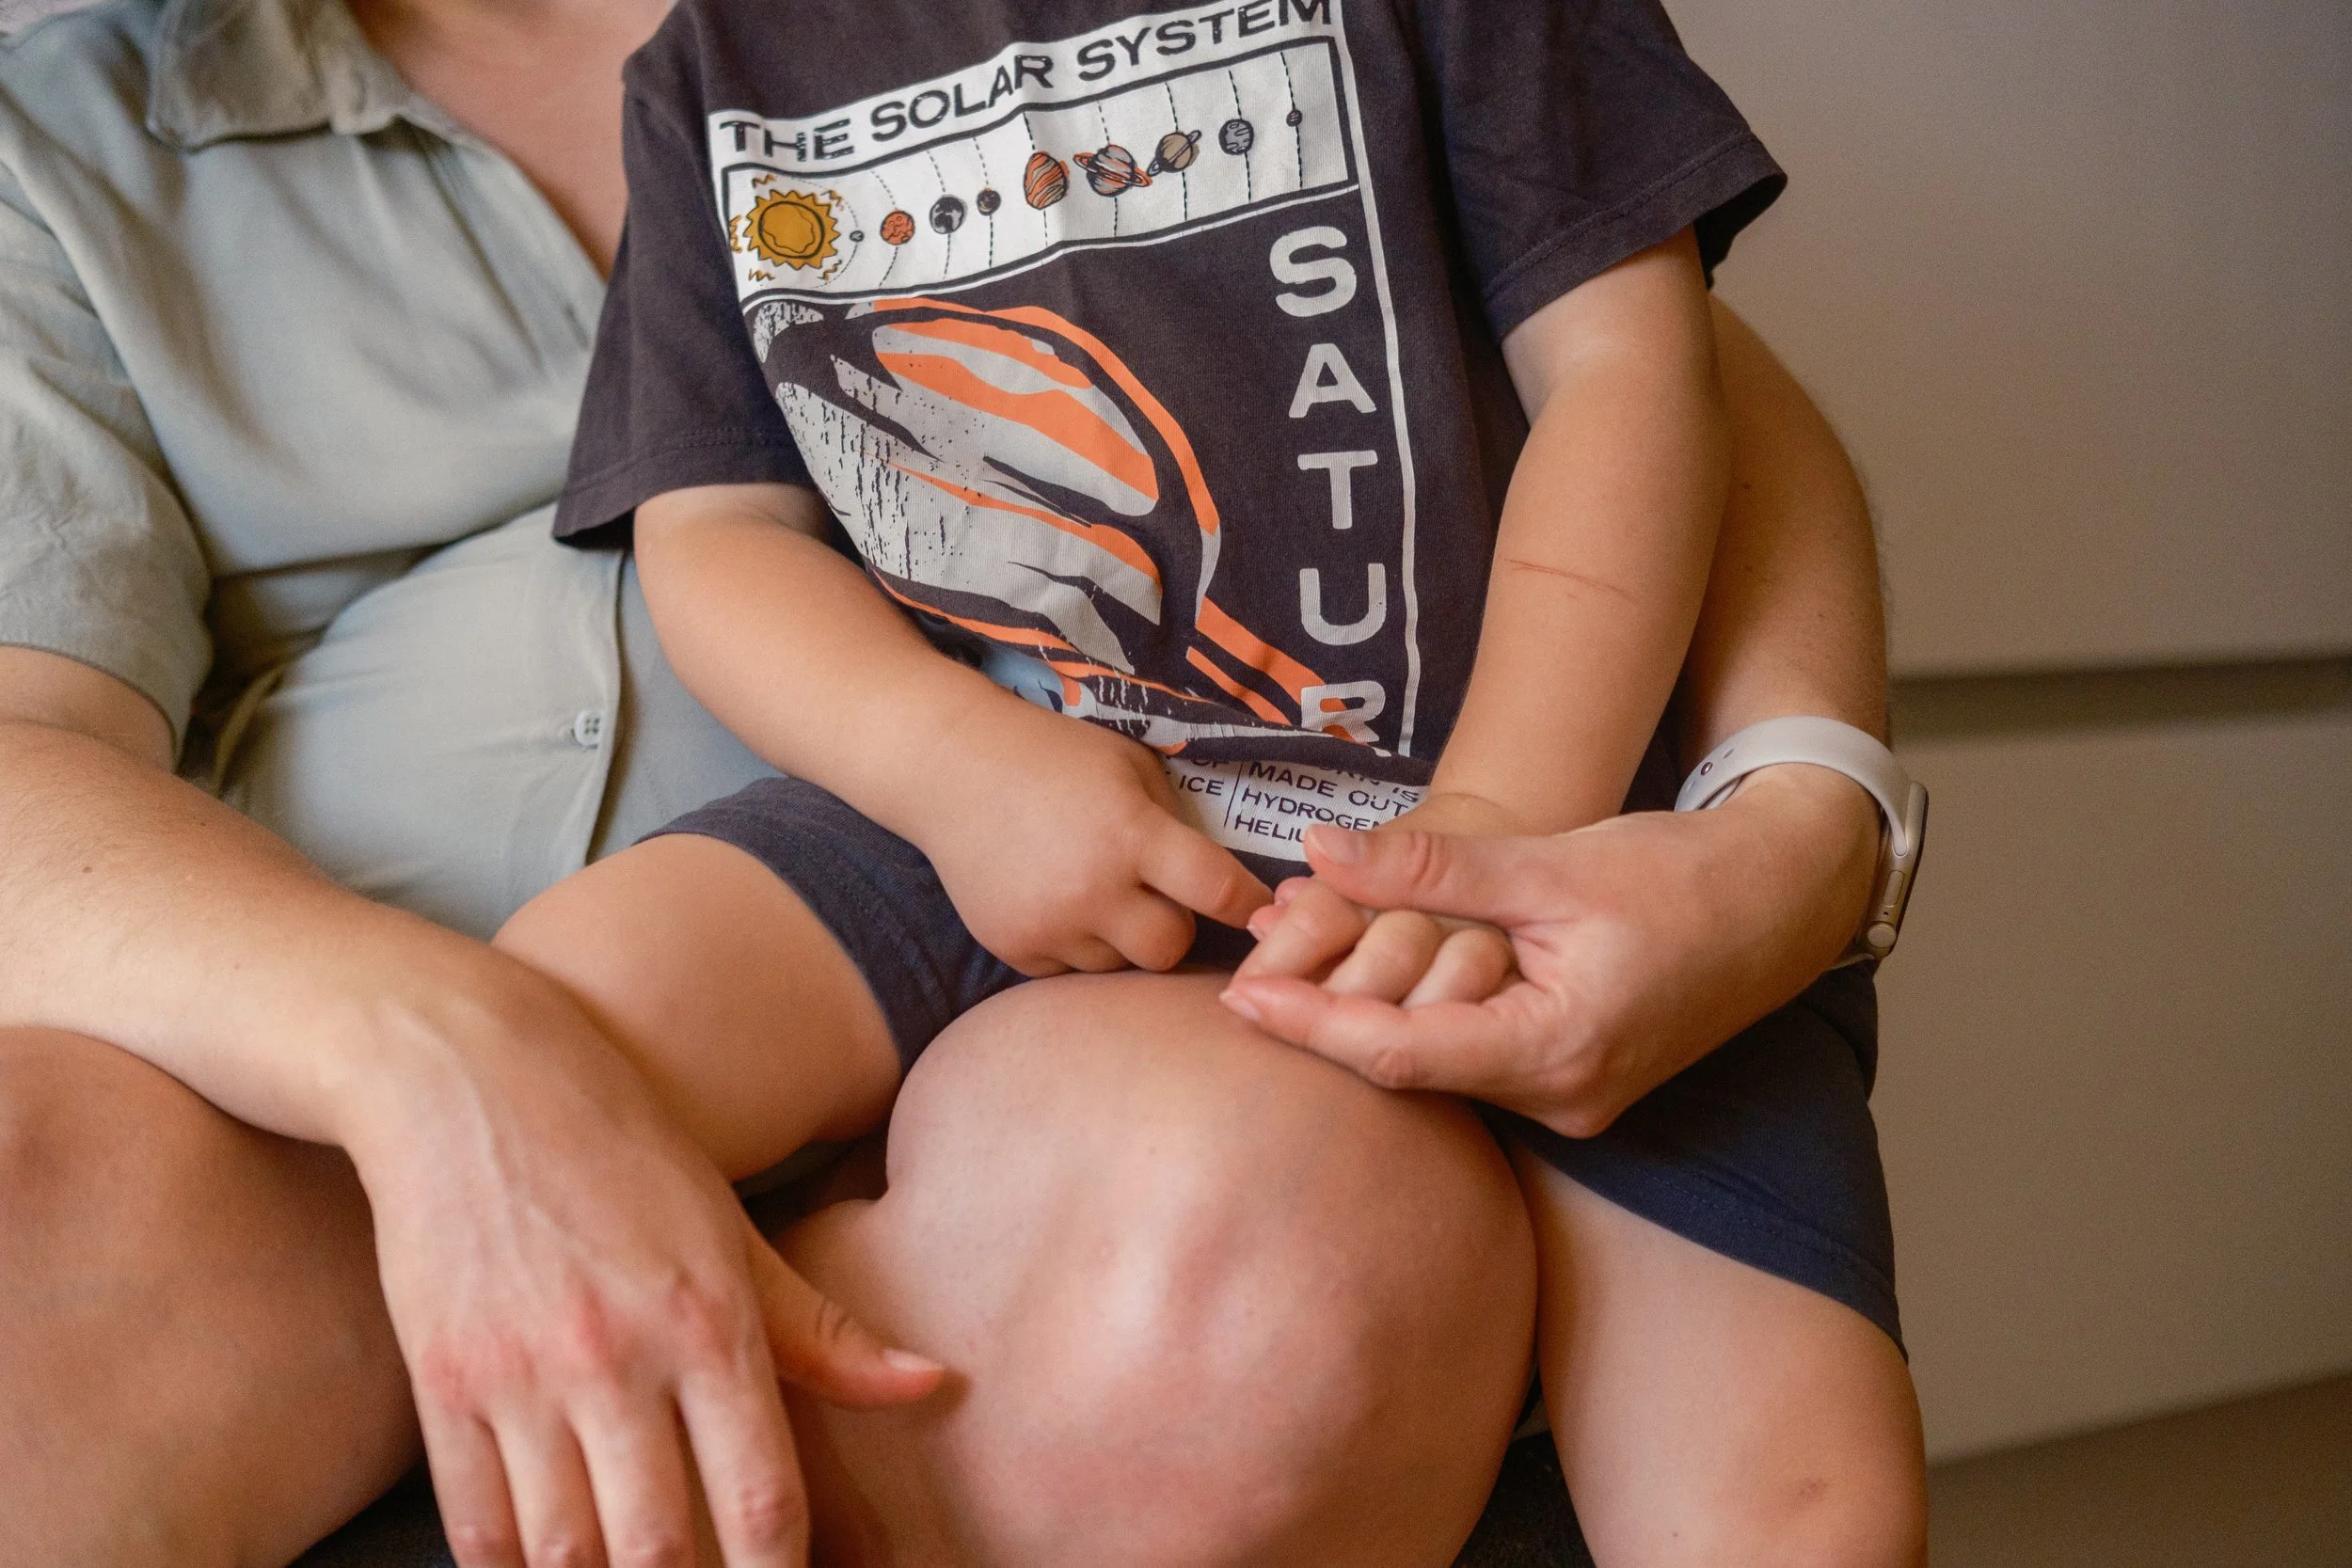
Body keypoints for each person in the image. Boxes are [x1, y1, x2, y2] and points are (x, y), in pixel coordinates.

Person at [0, 0, 1920, 1564]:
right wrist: (453, 1073)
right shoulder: (101, 133)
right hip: (750, 910)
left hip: (1219, 951)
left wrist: (1760, 820)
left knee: (1722, 1461)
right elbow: (698, 528)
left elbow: (1648, 375)